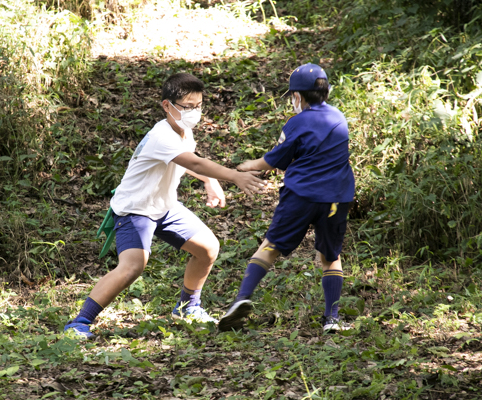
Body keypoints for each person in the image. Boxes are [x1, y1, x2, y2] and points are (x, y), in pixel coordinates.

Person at [66, 72, 265, 339]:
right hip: (135, 208)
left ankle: (187, 308)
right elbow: (193, 163)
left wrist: (209, 181)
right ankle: (79, 323)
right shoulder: (161, 136)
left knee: (207, 248)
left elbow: (190, 159)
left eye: (198, 106)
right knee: (133, 266)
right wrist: (233, 175)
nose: (194, 112)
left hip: (164, 206)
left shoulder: (184, 131)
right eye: (187, 106)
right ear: (167, 105)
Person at [218, 63, 355, 333]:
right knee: (331, 255)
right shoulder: (339, 117)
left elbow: (273, 160)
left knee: (270, 247)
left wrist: (247, 166)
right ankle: (332, 319)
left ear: (298, 96)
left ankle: (241, 299)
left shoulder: (297, 122)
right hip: (337, 198)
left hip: (302, 196)